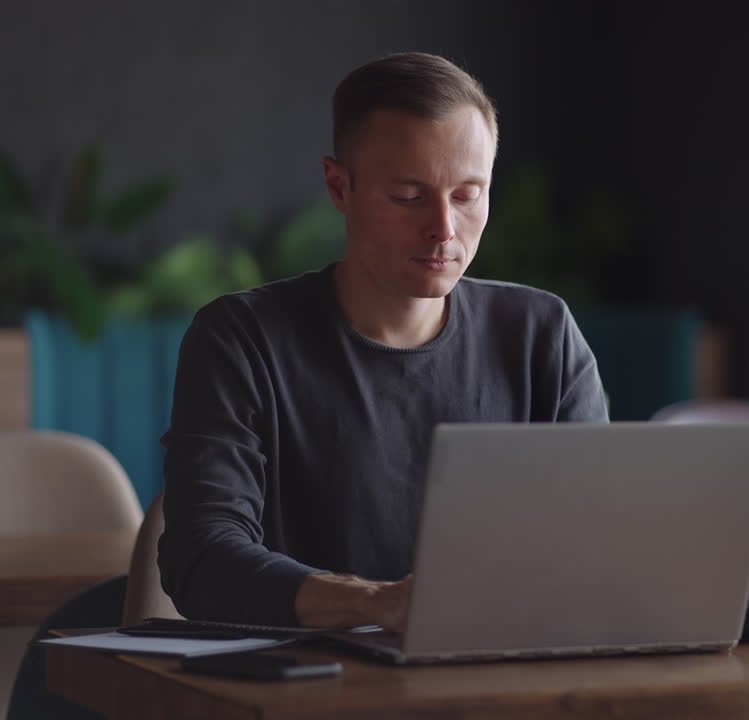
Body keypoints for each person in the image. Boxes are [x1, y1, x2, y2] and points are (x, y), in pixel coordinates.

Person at [157, 52, 609, 632]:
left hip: (499, 670)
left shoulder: (540, 334)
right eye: (408, 196)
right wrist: (373, 605)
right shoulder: (241, 340)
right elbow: (202, 558)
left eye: (468, 195)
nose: (444, 229)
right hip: (313, 686)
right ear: (338, 186)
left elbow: (597, 544)